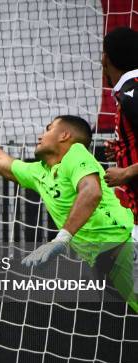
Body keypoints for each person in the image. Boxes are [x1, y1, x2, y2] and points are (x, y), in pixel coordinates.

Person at [0, 105, 138, 312]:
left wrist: (61, 240)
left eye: (48, 129)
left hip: (129, 248)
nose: (40, 135)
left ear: (64, 135)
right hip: (110, 264)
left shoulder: (76, 153)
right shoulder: (40, 172)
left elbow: (91, 192)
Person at [101, 27, 138, 232]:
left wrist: (126, 172)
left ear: (105, 58)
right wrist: (123, 149)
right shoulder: (129, 92)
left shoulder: (132, 94)